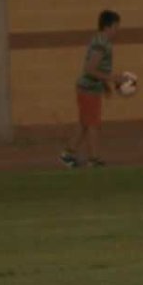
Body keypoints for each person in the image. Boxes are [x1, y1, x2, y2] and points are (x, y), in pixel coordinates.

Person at [60, 10, 122, 168]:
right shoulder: (101, 43)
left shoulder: (102, 41)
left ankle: (68, 154)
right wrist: (112, 78)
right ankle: (94, 158)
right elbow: (90, 69)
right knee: (93, 124)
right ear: (108, 26)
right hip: (88, 89)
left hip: (91, 88)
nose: (117, 30)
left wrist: (105, 85)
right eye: (116, 26)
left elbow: (98, 69)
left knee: (84, 123)